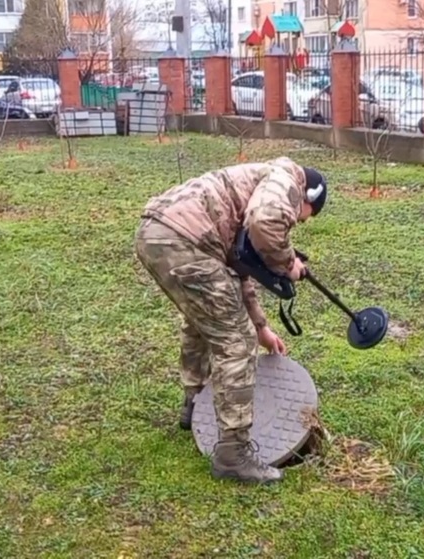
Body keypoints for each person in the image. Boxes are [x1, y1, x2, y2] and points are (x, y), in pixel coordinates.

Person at [134, 157, 328, 484]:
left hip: (157, 233)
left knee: (203, 320)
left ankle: (195, 406)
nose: (301, 221)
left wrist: (262, 327)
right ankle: (233, 455)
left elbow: (239, 271)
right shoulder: (287, 180)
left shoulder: (256, 182)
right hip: (185, 241)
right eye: (307, 216)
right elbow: (266, 224)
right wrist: (287, 263)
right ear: (309, 197)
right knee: (236, 345)